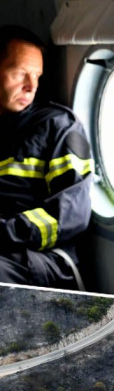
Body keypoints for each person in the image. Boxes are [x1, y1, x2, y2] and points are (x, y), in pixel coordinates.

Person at [0, 25, 92, 288]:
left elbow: (69, 215)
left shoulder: (59, 126)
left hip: (45, 260)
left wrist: (6, 232)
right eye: (20, 74)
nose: (31, 86)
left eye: (37, 76)